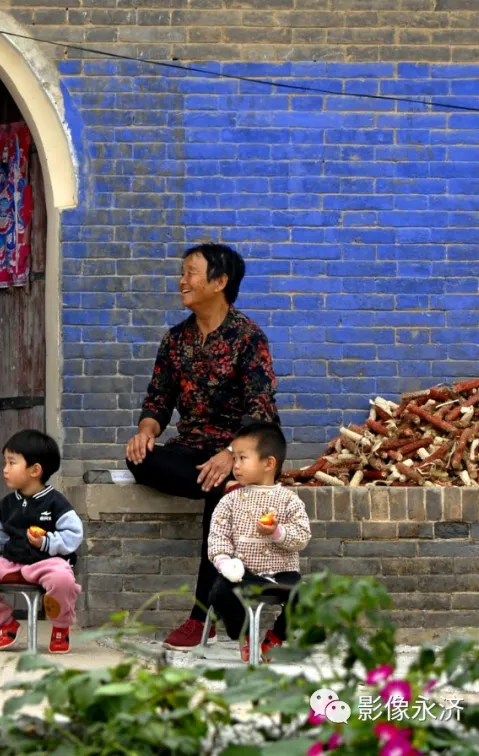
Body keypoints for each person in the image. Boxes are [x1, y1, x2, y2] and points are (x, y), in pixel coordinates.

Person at [125, 243, 280, 650]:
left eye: (191, 272)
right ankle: (218, 611)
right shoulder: (176, 339)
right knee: (140, 459)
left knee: (222, 485)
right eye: (183, 272)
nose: (182, 281)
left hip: (239, 453)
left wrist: (232, 454)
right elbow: (157, 400)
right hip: (191, 450)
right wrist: (146, 431)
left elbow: (261, 409)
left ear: (220, 281)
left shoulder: (248, 338)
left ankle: (200, 616)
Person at [0, 430, 83, 654]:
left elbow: (73, 535)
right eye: (5, 462)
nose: (5, 469)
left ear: (35, 470)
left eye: (11, 463)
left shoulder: (57, 503)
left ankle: (60, 626)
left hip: (46, 563)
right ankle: (5, 623)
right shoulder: (2, 507)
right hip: (9, 562)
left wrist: (46, 541)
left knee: (63, 578)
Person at [207, 422, 310, 662]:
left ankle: (275, 637)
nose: (237, 466)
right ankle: (244, 635)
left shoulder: (289, 501)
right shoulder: (230, 501)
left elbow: (302, 537)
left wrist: (277, 532)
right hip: (244, 572)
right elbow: (217, 537)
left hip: (283, 573)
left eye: (243, 458)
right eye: (235, 459)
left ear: (268, 463)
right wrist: (225, 562)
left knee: (306, 598)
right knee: (219, 594)